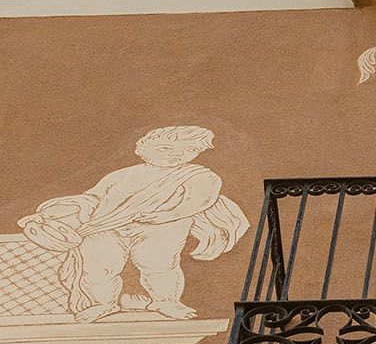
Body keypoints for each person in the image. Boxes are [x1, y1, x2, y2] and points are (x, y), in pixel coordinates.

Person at [18, 125, 249, 321]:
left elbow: (200, 200)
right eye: (165, 149)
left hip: (161, 227)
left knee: (159, 265)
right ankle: (103, 303)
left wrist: (168, 215)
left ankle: (165, 301)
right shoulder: (121, 175)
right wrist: (59, 212)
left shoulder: (199, 176)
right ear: (143, 149)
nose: (176, 155)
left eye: (189, 150)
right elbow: (93, 199)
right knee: (98, 267)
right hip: (107, 226)